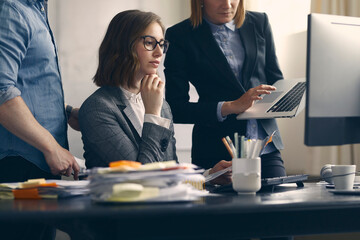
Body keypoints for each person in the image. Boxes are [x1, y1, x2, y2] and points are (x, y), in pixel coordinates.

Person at [79, 10, 231, 185]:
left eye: (161, 44)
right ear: (123, 46)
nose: (159, 52)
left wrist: (209, 176)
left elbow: (170, 173)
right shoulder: (98, 109)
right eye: (150, 43)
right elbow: (143, 178)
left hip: (163, 208)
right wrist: (152, 114)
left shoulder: (162, 104)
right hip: (122, 210)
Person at [164, 0, 287, 179]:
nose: (227, 5)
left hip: (264, 145)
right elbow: (176, 108)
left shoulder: (259, 22)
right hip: (214, 147)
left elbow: (275, 79)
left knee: (280, 204)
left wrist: (286, 99)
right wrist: (231, 106)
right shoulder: (180, 35)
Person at [0, 0, 80, 239]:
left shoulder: (35, 11)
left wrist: (64, 111)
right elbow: (2, 91)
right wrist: (51, 146)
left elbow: (28, 83)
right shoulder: (12, 10)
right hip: (20, 164)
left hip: (38, 164)